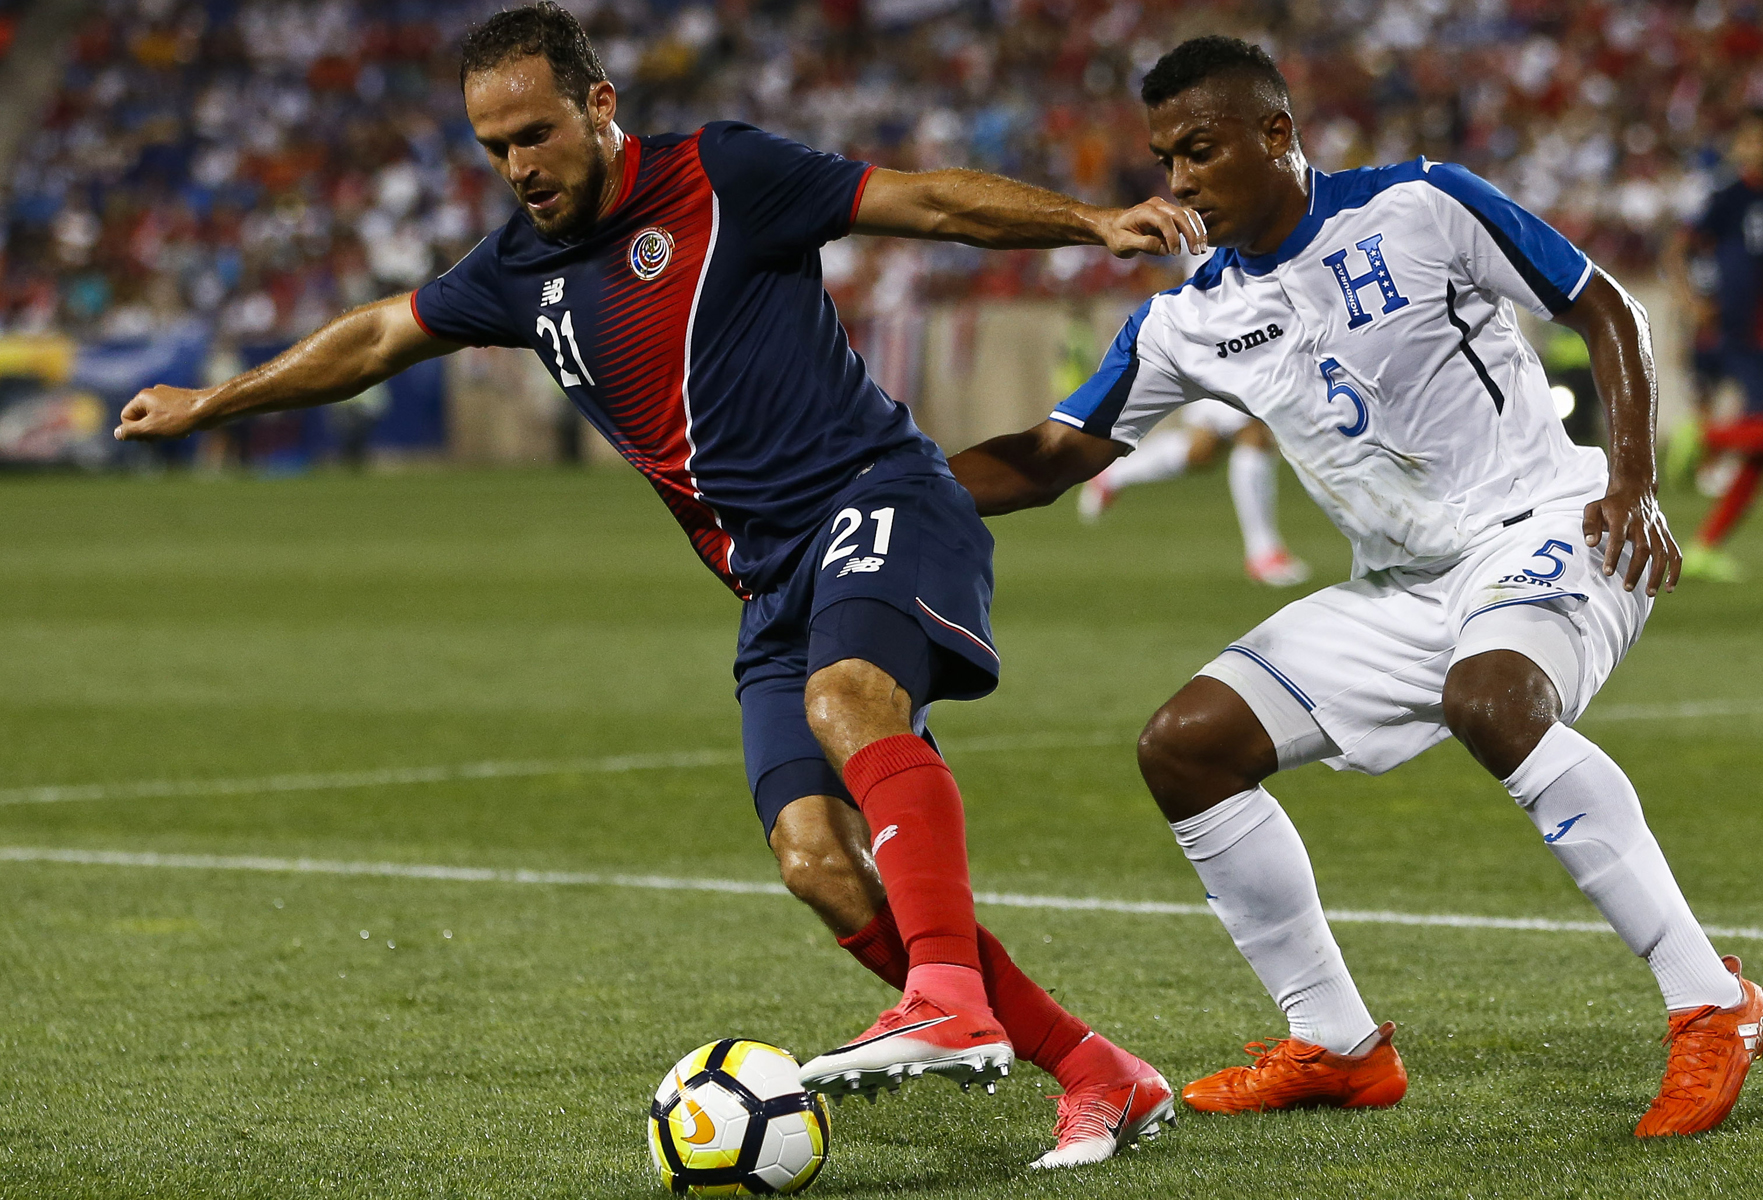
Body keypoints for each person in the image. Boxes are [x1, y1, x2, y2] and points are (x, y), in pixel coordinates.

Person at [113, 2, 1194, 1168]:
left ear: (598, 105)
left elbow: (923, 200)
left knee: (848, 702)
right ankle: (1098, 1072)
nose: (517, 167)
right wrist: (211, 401)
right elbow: (378, 337)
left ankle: (943, 995)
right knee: (818, 866)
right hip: (768, 584)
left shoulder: (721, 175)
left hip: (878, 494)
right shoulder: (516, 270)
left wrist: (1089, 220)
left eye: (533, 133)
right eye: (492, 148)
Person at [950, 36, 1763, 1138]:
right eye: (1165, 159)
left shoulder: (1424, 203)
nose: (1179, 180)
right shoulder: (1188, 314)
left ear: (1278, 134)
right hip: (1399, 588)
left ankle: (1715, 1004)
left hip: (1548, 527)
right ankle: (1337, 1045)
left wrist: (1634, 483)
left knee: (1493, 701)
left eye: (1199, 150)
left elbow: (1606, 308)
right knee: (1187, 747)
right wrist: (879, 487)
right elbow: (1050, 458)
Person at [1666, 108, 1763, 582]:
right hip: (1734, 332)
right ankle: (1704, 437)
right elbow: (1677, 247)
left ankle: (1703, 548)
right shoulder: (1730, 197)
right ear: (1740, 148)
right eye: (1750, 141)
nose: (1759, 149)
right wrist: (1690, 302)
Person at [1078, 400, 1311, 587]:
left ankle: (1112, 475)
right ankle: (1263, 553)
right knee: (1253, 434)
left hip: (1237, 351)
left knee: (1201, 451)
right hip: (1228, 352)